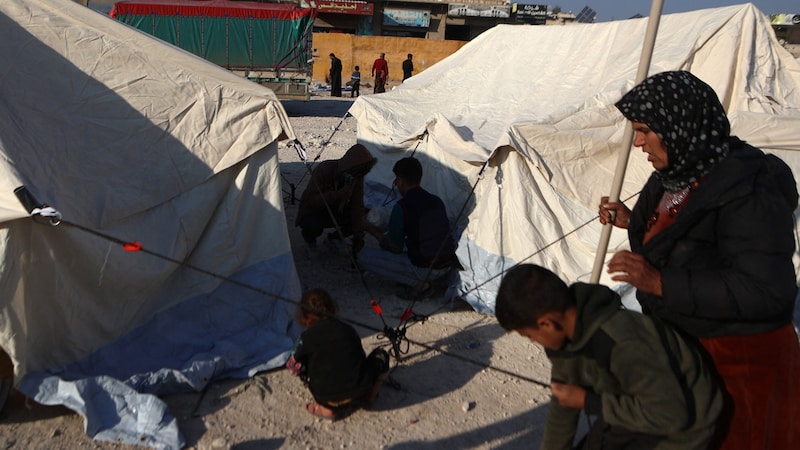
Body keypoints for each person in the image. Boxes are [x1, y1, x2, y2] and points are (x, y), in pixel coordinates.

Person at [598, 70, 800, 450]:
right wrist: (632, 221)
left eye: (644, 130)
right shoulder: (673, 175)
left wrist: (661, 283)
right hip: (688, 352)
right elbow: (683, 238)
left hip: (739, 362)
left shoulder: (747, 190)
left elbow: (768, 291)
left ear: (679, 124)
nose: (638, 142)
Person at [495, 264, 722, 449]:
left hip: (681, 433)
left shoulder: (623, 343)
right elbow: (563, 404)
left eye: (529, 335)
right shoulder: (563, 340)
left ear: (547, 323)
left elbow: (672, 415)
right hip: (633, 412)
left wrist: (588, 401)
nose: (533, 342)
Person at [360, 157, 456, 298]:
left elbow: (395, 247)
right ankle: (432, 279)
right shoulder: (436, 200)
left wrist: (372, 230)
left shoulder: (402, 207)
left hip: (426, 267)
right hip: (446, 264)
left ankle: (420, 285)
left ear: (400, 181)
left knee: (365, 257)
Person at [287, 288, 390, 420]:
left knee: (304, 363)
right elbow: (359, 358)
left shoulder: (305, 337)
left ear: (305, 317)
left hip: (325, 396)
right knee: (381, 355)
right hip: (359, 391)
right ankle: (370, 397)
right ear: (333, 308)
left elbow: (291, 366)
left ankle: (326, 409)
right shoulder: (348, 329)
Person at [295, 144, 376, 256]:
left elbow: (357, 204)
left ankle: (334, 239)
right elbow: (311, 200)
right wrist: (337, 195)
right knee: (311, 225)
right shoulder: (324, 169)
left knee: (361, 217)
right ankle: (310, 242)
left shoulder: (356, 178)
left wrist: (358, 232)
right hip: (316, 210)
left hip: (337, 210)